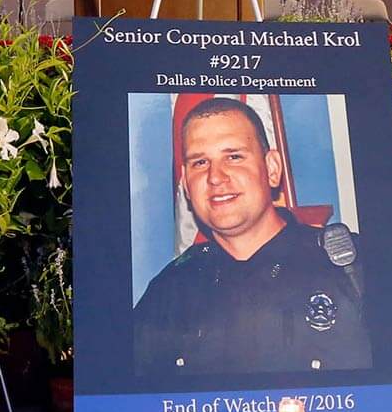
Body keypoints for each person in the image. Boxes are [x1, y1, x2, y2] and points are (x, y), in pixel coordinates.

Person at [132, 97, 369, 376]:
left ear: (271, 168)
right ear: (185, 184)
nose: (215, 177)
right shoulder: (168, 293)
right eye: (200, 162)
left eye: (234, 156)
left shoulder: (353, 268)